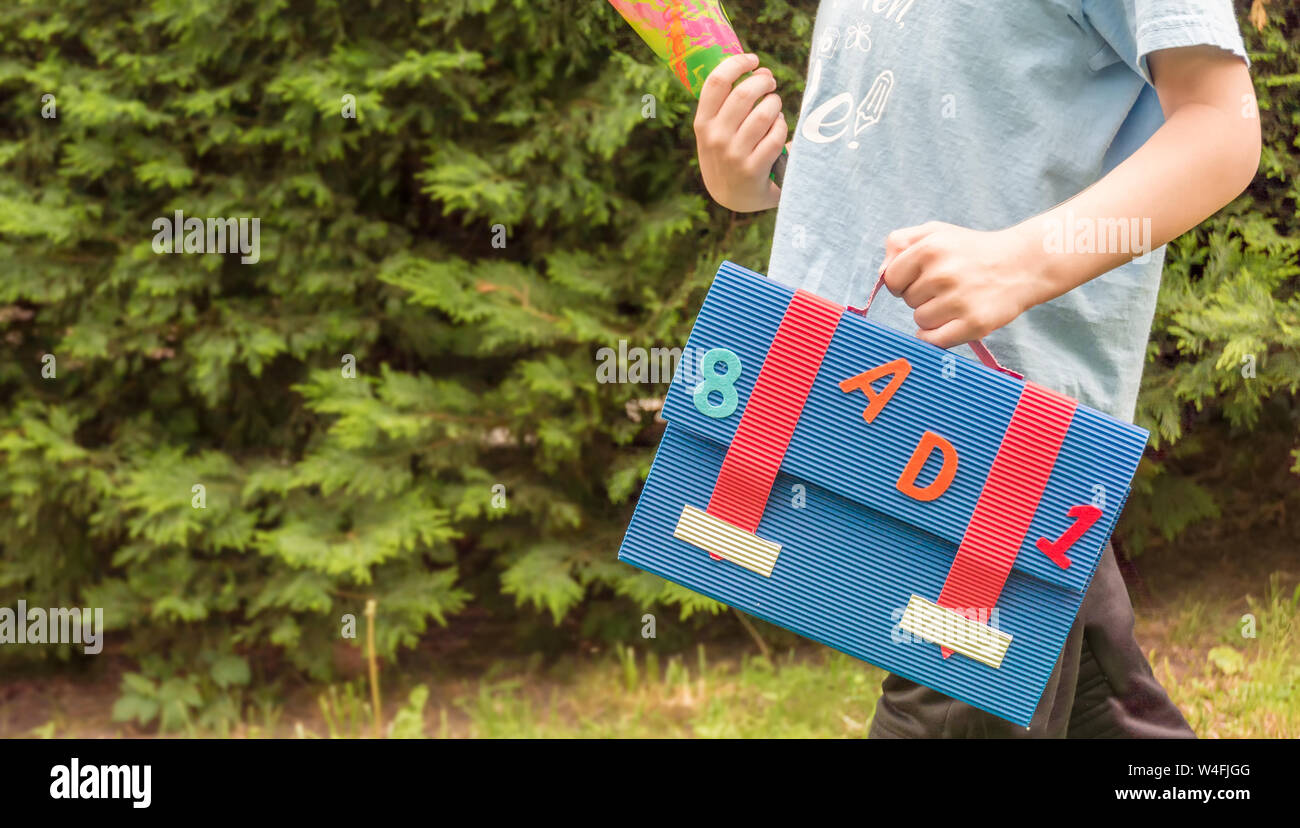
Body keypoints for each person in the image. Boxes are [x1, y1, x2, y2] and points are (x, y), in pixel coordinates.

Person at [691, 0, 1260, 738]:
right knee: (1100, 706)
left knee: (943, 703)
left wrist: (1021, 264)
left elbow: (1223, 128)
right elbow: (904, 137)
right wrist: (752, 176)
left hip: (995, 441)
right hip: (850, 403)